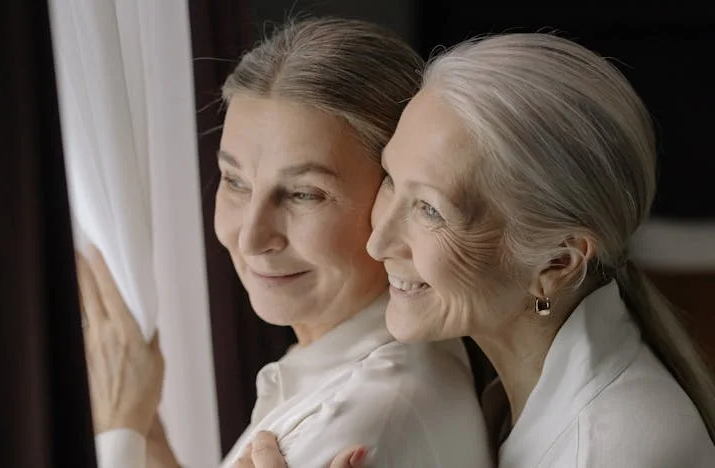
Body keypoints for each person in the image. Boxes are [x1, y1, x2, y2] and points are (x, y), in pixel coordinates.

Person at [239, 32, 715, 467]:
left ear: (556, 262)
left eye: (429, 209)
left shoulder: (609, 453)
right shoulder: (506, 389)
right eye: (390, 179)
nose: (378, 239)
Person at [76, 17, 494, 468]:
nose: (252, 237)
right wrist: (145, 435)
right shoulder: (350, 375)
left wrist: (116, 430)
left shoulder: (362, 420)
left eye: (303, 193)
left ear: (394, 197)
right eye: (235, 181)